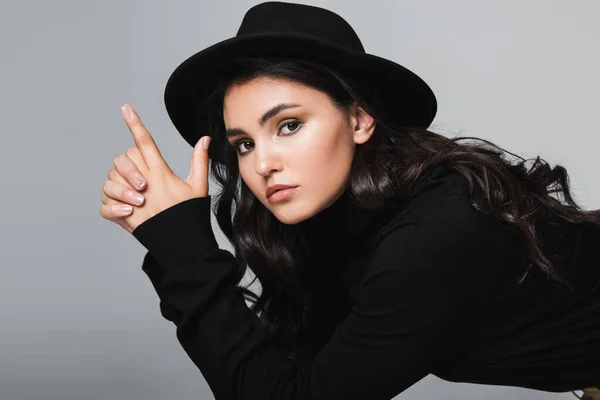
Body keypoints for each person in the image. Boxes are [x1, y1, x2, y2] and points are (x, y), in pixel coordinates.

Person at [99, 2, 600, 399]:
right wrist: (176, 248)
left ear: (359, 120)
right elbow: (276, 381)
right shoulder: (336, 231)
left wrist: (188, 254)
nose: (262, 163)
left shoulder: (445, 224)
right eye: (244, 144)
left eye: (288, 125)